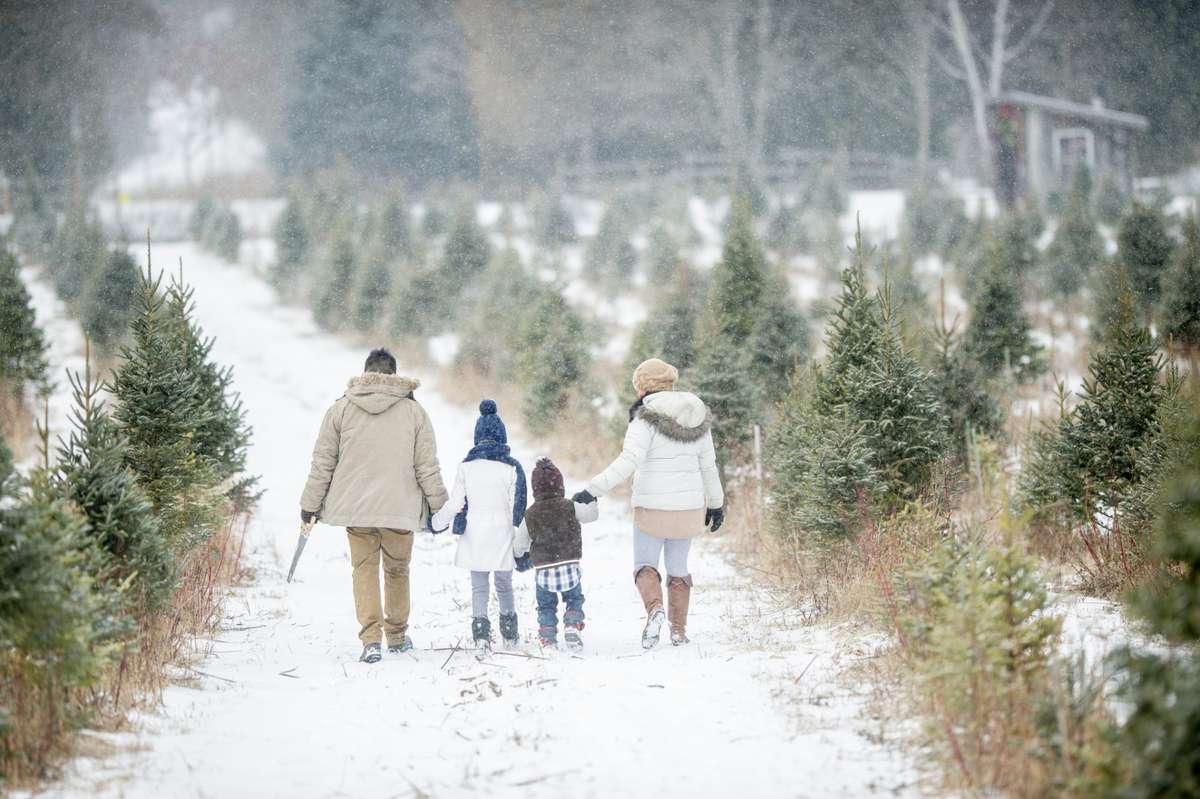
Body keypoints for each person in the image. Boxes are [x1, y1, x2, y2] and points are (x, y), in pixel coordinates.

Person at [300, 348, 448, 664]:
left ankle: (371, 639)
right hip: (400, 506)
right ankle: (396, 635)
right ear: (394, 375)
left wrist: (309, 505)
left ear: (366, 372)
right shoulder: (414, 412)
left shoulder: (340, 409)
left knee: (363, 569)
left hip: (357, 507)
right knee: (397, 569)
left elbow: (323, 462)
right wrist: (440, 507)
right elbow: (427, 466)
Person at [575, 358, 724, 649]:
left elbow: (628, 461)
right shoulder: (697, 415)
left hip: (652, 508)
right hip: (689, 509)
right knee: (678, 568)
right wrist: (716, 503)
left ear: (642, 387)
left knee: (645, 565)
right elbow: (709, 466)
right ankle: (678, 630)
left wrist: (593, 490)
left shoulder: (644, 419)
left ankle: (655, 610)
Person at [431, 400, 527, 649]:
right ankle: (509, 633)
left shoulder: (466, 467)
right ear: (502, 436)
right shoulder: (511, 468)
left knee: (479, 587)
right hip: (503, 533)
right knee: (505, 585)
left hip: (475, 534)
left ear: (477, 437)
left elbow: (455, 504)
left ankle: (481, 635)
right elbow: (518, 508)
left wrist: (437, 522)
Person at [513, 458, 599, 650]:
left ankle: (547, 635)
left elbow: (519, 545)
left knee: (546, 606)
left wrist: (519, 556)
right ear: (560, 484)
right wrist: (591, 501)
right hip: (570, 566)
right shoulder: (570, 506)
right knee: (574, 598)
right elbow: (591, 515)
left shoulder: (531, 514)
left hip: (544, 571)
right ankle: (572, 624)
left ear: (535, 489)